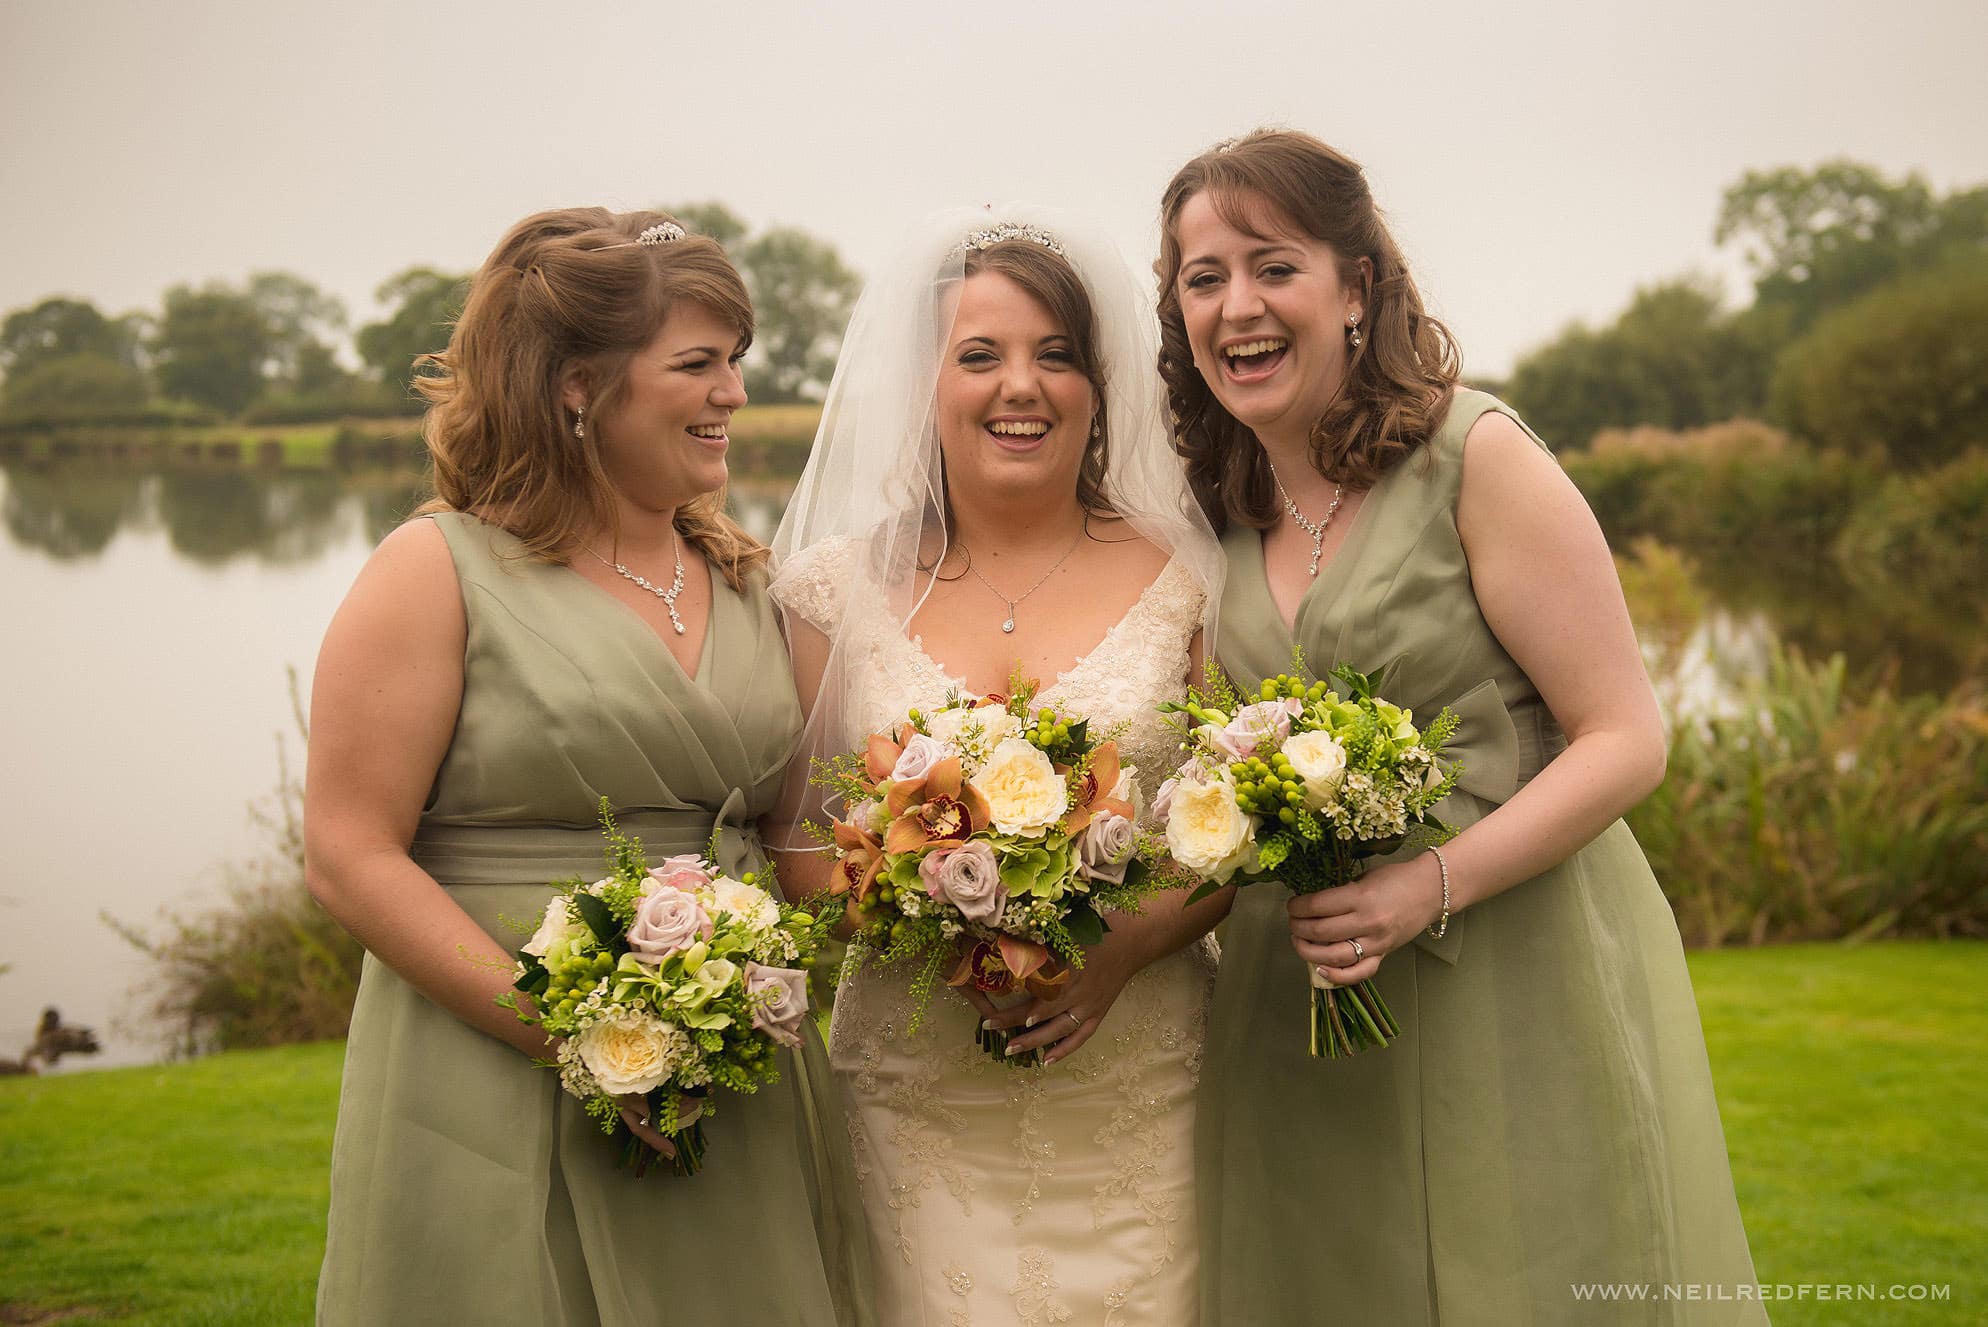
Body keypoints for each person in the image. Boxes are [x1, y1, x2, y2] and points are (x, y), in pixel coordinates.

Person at [1158, 131, 1765, 1324]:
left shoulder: (1472, 455)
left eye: (1272, 266)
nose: (1237, 306)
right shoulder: (1214, 512)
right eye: (1202, 276)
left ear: (1355, 288)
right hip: (1298, 1001)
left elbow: (1623, 735)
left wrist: (1422, 883)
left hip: (1508, 975)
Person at [306, 208, 863, 1327]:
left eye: (736, 363)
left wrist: (978, 890)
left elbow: (800, 847)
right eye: (697, 365)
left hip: (731, 1064)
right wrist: (577, 1035)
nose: (734, 396)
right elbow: (347, 853)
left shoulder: (756, 584)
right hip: (491, 1070)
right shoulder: (437, 570)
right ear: (576, 386)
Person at [770, 208, 1230, 1325]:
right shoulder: (834, 589)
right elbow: (791, 843)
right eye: (979, 354)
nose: (1019, 386)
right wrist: (926, 905)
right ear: (923, 384)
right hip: (915, 1096)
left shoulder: (1190, 574)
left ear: (1097, 384)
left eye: (1054, 355)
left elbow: (1231, 821)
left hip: (1142, 1086)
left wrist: (1122, 945)